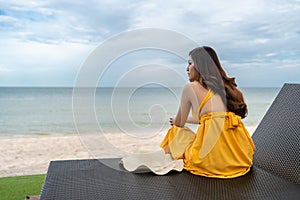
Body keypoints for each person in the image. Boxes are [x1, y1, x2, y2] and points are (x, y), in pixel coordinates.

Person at [160, 46, 255, 178]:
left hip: (210, 161)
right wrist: (186, 119)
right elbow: (213, 119)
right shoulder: (229, 90)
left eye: (190, 63)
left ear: (200, 65)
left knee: (174, 131)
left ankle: (166, 159)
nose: (187, 69)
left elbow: (179, 123)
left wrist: (176, 120)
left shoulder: (190, 88)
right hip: (239, 159)